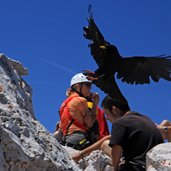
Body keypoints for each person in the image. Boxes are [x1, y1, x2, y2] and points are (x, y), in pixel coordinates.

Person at [72, 95, 163, 171]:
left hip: (136, 167)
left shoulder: (120, 122)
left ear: (114, 109)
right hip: (156, 164)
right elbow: (108, 138)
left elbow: (116, 148)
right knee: (105, 143)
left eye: (106, 113)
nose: (106, 118)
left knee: (107, 146)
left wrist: (116, 168)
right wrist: (81, 153)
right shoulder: (144, 119)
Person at [57, 73, 103, 150]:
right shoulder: (81, 100)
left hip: (66, 139)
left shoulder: (64, 104)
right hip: (79, 138)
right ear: (78, 86)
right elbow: (90, 123)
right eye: (87, 85)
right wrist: (95, 104)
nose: (90, 88)